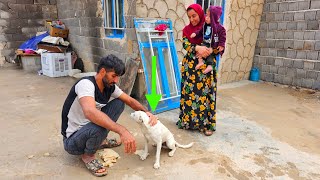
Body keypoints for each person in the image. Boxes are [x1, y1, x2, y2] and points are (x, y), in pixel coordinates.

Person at [61, 54, 158, 177]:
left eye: (117, 77)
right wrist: (122, 130)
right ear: (102, 72)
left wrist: (147, 113)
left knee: (119, 103)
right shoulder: (86, 84)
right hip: (72, 140)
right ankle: (88, 156)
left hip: (88, 128)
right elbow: (90, 112)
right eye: (113, 76)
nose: (116, 80)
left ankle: (99, 140)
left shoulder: (110, 86)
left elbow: (130, 101)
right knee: (99, 125)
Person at [176, 4, 218, 136]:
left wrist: (210, 50)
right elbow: (186, 45)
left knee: (205, 96)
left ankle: (207, 125)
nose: (192, 19)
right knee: (190, 94)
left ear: (200, 14)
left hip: (206, 66)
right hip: (191, 68)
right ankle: (188, 122)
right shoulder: (187, 30)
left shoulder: (211, 28)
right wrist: (197, 48)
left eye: (194, 15)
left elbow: (218, 44)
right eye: (189, 17)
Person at [190, 5, 226, 74]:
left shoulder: (220, 28)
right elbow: (200, 31)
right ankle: (200, 62)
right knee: (199, 52)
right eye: (206, 15)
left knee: (210, 54)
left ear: (214, 18)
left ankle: (210, 66)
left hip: (212, 44)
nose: (206, 18)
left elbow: (223, 37)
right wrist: (195, 33)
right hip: (205, 43)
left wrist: (221, 44)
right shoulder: (205, 25)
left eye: (209, 17)